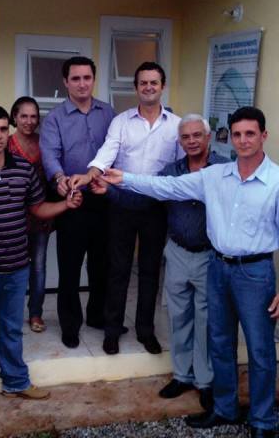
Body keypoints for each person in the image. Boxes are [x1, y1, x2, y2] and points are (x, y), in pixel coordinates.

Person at [100, 106, 279, 438]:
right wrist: (125, 178)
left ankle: (262, 421)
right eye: (237, 134)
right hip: (218, 268)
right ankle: (225, 409)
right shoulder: (215, 176)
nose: (243, 140)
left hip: (255, 275)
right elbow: (168, 187)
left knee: (260, 350)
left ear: (263, 136)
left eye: (250, 134)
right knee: (220, 343)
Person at [0, 105, 83, 419]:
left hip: (17, 266)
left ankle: (16, 381)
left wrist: (66, 205)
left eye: (2, 129)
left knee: (11, 329)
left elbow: (38, 209)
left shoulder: (23, 168)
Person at [70, 61, 183, 356]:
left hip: (156, 207)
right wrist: (89, 175)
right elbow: (106, 153)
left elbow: (181, 166)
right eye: (143, 82)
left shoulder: (176, 125)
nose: (148, 87)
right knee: (118, 269)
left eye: (154, 82)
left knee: (149, 271)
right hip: (121, 204)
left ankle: (146, 330)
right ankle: (112, 330)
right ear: (136, 88)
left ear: (162, 86)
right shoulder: (121, 121)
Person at [39, 56, 115, 348]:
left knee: (101, 264)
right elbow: (50, 154)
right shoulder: (55, 118)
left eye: (87, 78)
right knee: (70, 267)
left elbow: (116, 150)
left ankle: (97, 315)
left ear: (93, 79)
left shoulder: (108, 113)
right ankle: (70, 324)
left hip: (104, 198)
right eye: (76, 78)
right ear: (66, 82)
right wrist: (60, 178)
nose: (82, 84)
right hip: (72, 199)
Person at [157, 114, 227, 406]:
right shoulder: (170, 171)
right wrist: (113, 186)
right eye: (185, 137)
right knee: (179, 317)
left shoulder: (224, 169)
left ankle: (205, 380)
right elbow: (148, 191)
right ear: (180, 141)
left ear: (208, 137)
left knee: (206, 319)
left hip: (209, 256)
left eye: (197, 135)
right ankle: (182, 376)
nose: (192, 141)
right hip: (177, 252)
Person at [8, 97, 52, 333]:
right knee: (13, 268)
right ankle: (11, 314)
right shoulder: (5, 144)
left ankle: (36, 313)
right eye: (24, 116)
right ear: (14, 117)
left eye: (33, 116)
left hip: (40, 216)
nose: (29, 121)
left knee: (39, 267)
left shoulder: (46, 143)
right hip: (12, 218)